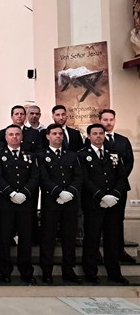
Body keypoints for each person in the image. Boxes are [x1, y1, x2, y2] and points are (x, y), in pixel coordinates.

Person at [79, 124, 129, 285]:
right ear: (89, 136)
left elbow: (122, 177)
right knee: (92, 239)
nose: (99, 136)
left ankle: (114, 273)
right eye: (95, 133)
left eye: (101, 133)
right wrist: (101, 196)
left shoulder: (114, 154)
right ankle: (91, 272)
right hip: (94, 203)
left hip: (113, 203)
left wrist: (114, 195)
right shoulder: (82, 155)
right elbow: (84, 179)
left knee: (112, 239)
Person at [37, 123, 82, 284]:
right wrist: (58, 192)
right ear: (48, 136)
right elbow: (43, 177)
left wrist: (69, 192)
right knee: (48, 238)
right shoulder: (41, 155)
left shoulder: (72, 155)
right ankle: (47, 270)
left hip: (70, 202)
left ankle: (68, 270)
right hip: (51, 202)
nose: (58, 136)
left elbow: (78, 177)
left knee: (69, 238)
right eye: (54, 134)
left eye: (60, 134)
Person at [0, 125, 39, 284]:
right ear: (5, 137)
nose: (14, 137)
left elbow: (34, 177)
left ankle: (26, 272)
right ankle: (5, 271)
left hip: (25, 204)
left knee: (25, 240)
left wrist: (24, 193)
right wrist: (11, 193)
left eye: (17, 134)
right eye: (11, 134)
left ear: (22, 137)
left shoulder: (30, 156)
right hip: (5, 203)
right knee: (4, 239)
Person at [97, 109, 135, 264]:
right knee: (99, 222)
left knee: (118, 221)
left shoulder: (123, 140)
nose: (108, 122)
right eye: (105, 119)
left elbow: (129, 162)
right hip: (100, 190)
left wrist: (118, 183)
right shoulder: (95, 139)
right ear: (100, 120)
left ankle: (119, 252)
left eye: (111, 119)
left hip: (119, 188)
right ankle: (98, 254)